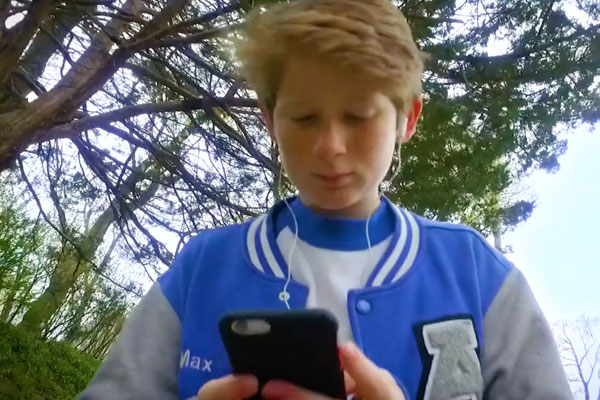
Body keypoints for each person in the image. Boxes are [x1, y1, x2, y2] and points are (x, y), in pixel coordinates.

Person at [79, 0, 572, 399]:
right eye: (305, 118)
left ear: (408, 119)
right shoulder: (203, 267)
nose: (330, 147)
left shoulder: (478, 274)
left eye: (358, 117)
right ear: (269, 120)